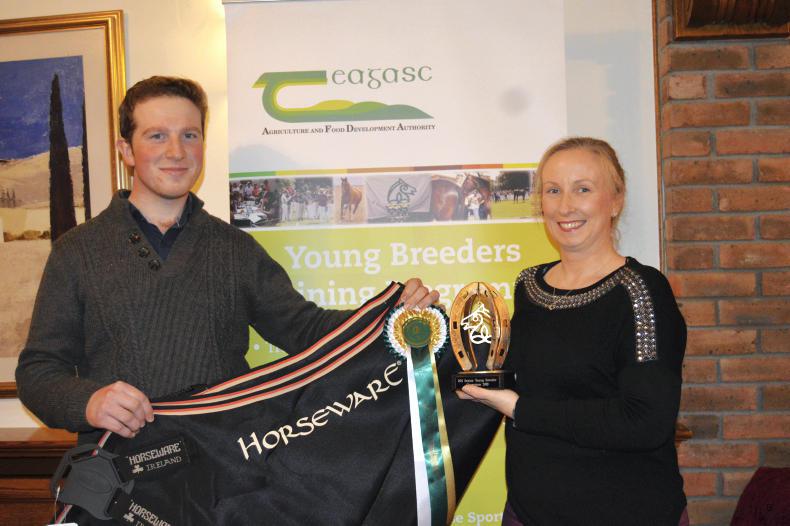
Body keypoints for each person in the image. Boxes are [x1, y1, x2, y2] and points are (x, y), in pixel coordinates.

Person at [16, 76, 437, 444]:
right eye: (157, 136)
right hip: (119, 475)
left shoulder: (235, 249)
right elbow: (38, 372)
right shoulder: (76, 251)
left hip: (224, 473)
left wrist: (389, 314)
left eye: (190, 135)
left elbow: (305, 329)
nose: (176, 151)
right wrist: (89, 402)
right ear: (126, 150)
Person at [459, 137, 688, 525]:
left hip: (626, 514)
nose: (565, 206)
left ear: (615, 201)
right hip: (528, 513)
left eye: (583, 189)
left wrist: (520, 409)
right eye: (553, 191)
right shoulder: (529, 285)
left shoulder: (642, 291)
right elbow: (507, 373)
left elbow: (645, 422)